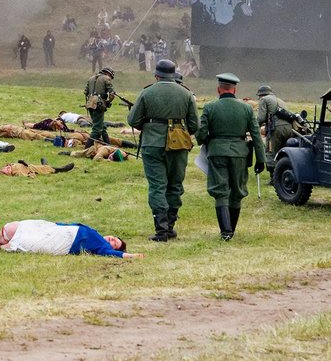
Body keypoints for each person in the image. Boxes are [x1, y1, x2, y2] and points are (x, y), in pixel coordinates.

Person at [128, 59, 198, 242]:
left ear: (157, 75)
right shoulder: (186, 94)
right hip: (179, 144)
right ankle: (170, 226)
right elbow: (194, 125)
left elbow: (133, 121)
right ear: (173, 74)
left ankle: (161, 230)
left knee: (157, 185)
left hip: (152, 143)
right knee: (175, 184)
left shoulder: (147, 92)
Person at [197, 73, 265, 241]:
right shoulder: (247, 108)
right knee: (237, 191)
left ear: (218, 89)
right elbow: (256, 136)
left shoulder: (209, 107)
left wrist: (208, 141)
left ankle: (225, 231)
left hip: (217, 152)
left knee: (221, 191)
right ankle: (231, 230)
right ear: (235, 89)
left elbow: (200, 134)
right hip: (240, 154)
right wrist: (261, 159)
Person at [0, 220, 134, 258]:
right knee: (28, 227)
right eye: (114, 238)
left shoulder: (101, 247)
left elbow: (112, 254)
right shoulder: (95, 235)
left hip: (65, 241)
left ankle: (1, 246)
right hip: (59, 230)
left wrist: (130, 256)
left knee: (33, 241)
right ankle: (1, 242)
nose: (112, 239)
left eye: (114, 243)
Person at [255, 85, 294, 155]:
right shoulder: (279, 100)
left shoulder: (264, 99)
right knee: (283, 153)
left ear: (261, 94)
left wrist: (254, 127)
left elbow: (261, 118)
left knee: (270, 153)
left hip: (276, 129)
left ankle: (271, 166)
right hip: (289, 128)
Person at [83, 67, 117, 144]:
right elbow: (112, 93)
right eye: (110, 77)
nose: (110, 78)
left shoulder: (91, 78)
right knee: (97, 129)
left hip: (90, 104)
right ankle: (87, 147)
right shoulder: (106, 78)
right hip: (98, 104)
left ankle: (107, 144)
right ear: (108, 74)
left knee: (101, 126)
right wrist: (108, 101)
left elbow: (85, 92)